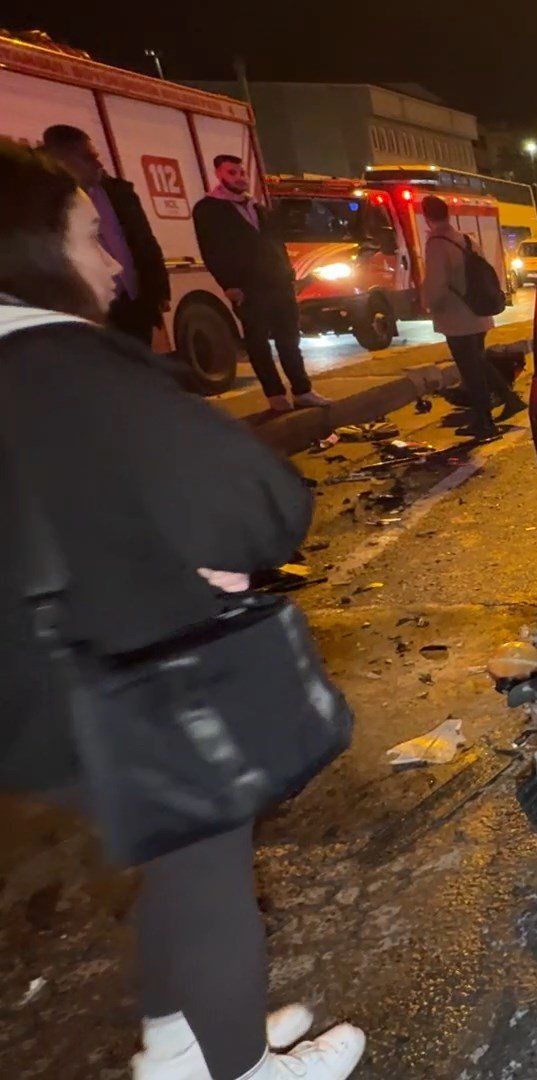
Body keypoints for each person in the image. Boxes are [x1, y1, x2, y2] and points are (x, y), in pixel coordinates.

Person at [0, 142, 366, 1080]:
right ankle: (240, 1066)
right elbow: (258, 500)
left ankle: (179, 1041)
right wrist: (222, 553)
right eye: (90, 235)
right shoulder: (65, 364)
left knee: (172, 849)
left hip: (28, 691)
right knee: (205, 862)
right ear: (33, 249)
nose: (113, 262)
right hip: (104, 677)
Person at [192, 155, 322, 412]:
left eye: (241, 172)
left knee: (289, 340)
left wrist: (289, 275)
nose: (239, 178)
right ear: (219, 175)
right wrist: (228, 284)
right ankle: (275, 395)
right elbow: (211, 250)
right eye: (232, 173)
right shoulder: (208, 209)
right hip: (247, 287)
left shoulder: (257, 207)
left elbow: (276, 243)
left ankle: (302, 390)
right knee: (258, 343)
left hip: (279, 284)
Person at [39, 124, 170, 347]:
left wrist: (159, 290)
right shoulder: (45, 203)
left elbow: (145, 242)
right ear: (60, 160)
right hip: (91, 312)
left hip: (134, 302)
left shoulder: (119, 193)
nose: (98, 165)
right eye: (87, 158)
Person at [420, 195, 523, 438]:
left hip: (458, 319)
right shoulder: (466, 239)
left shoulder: (436, 243)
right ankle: (510, 399)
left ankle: (484, 421)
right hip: (479, 314)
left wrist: (428, 305)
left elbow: (437, 284)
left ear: (426, 217)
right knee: (479, 361)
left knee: (470, 370)